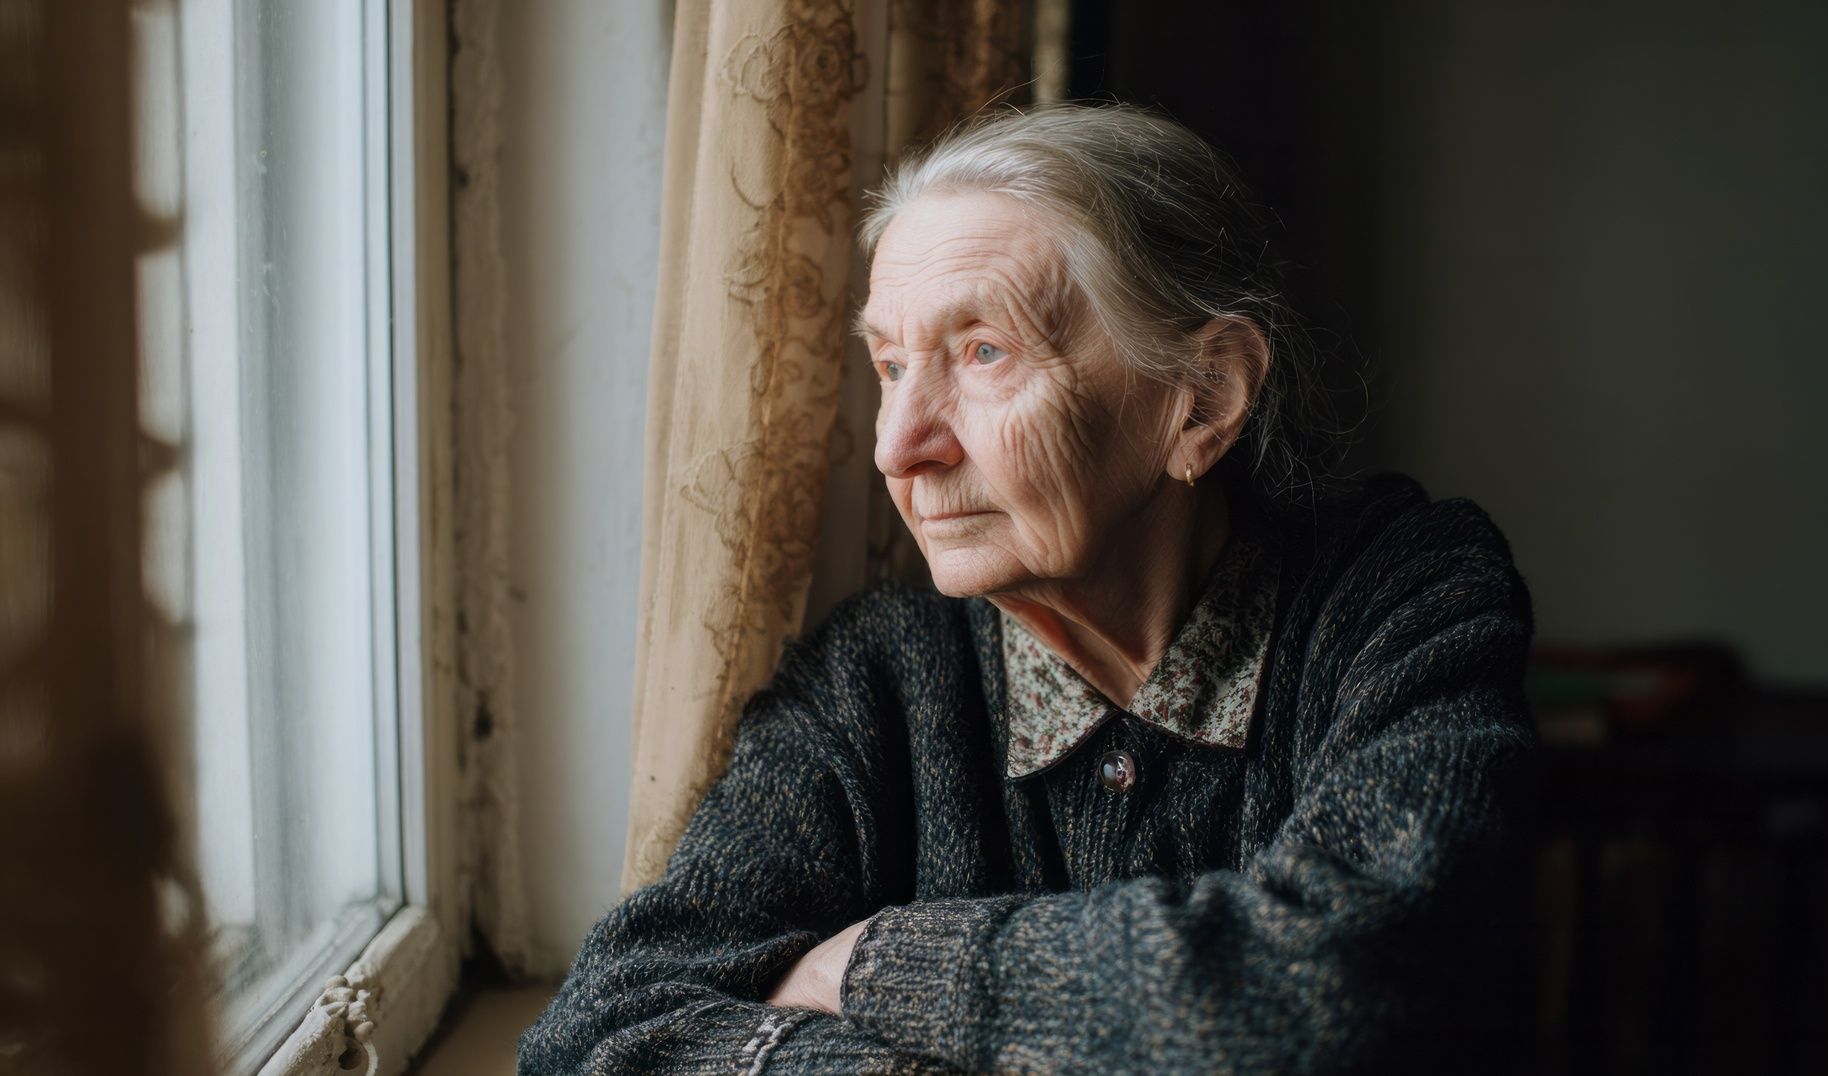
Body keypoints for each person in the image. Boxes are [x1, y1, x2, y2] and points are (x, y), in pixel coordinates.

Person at [519, 103, 1540, 1074]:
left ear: (1201, 399)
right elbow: (603, 1030)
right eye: (891, 365)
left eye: (983, 352)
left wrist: (872, 960)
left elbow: (1348, 987)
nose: (897, 447)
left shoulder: (1403, 596)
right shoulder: (878, 676)